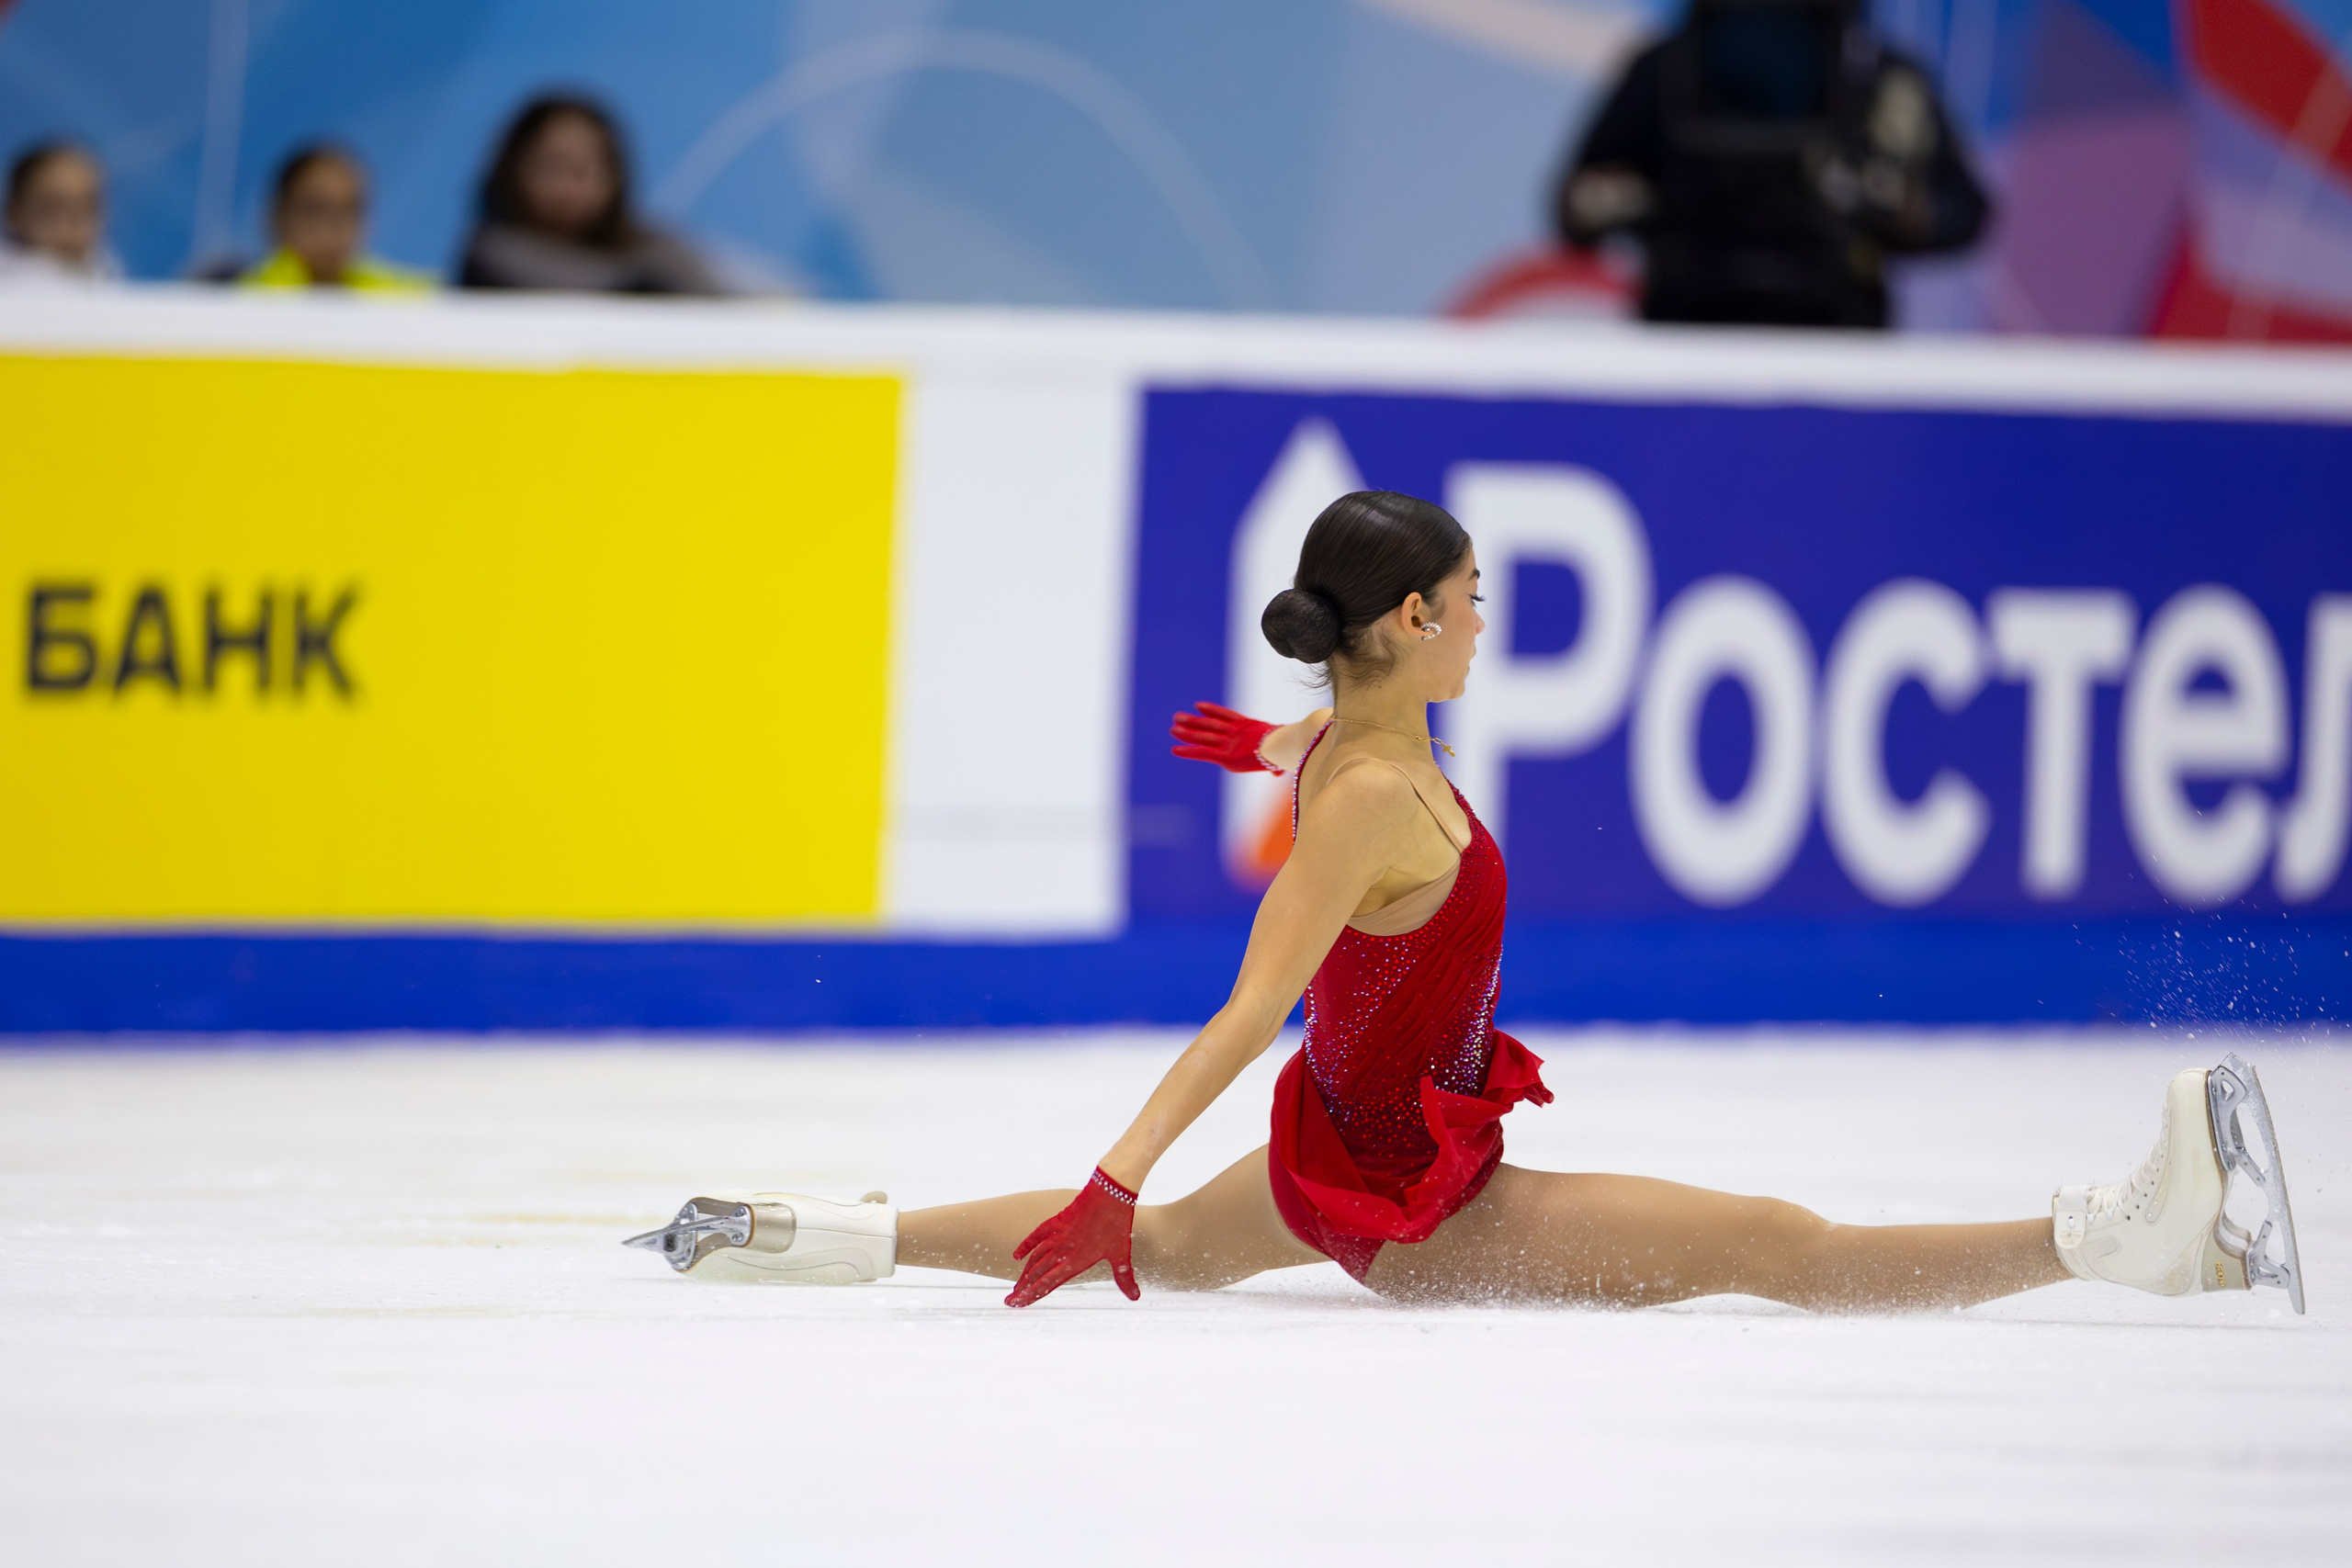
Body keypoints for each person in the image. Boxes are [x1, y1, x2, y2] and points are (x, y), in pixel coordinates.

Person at [624, 492, 2305, 1317]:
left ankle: (802, 1231)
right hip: (1415, 1204)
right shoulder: (1359, 800)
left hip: (1340, 1155)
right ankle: (2141, 1240)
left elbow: (1330, 738)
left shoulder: (1347, 742)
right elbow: (1243, 1005)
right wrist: (1105, 1175)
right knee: (1775, 1247)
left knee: (1169, 1261)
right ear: (1414, 616)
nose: (1491, 627)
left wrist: (1266, 734)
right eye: (1477, 603)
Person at [1555, 0, 1987, 328]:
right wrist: (1653, 199)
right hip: (1686, 334)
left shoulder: (1882, 82)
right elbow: (1574, 207)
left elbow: (1965, 211)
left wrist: (1896, 209)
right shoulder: (1667, 74)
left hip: (1840, 339)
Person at [456, 94, 719, 295]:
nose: (567, 187)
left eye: (582, 170)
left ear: (615, 177)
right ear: (513, 171)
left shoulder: (654, 246)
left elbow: (734, 291)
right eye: (550, 167)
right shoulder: (491, 255)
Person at [242, 143, 430, 293]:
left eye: (349, 209)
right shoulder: (240, 301)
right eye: (316, 209)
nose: (334, 226)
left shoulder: (400, 298)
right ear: (279, 216)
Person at [1, 141, 122, 287]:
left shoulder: (105, 269)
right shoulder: (14, 282)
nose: (68, 228)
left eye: (84, 210)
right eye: (51, 211)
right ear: (14, 212)